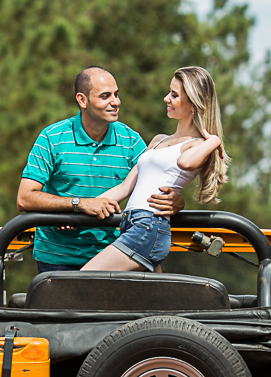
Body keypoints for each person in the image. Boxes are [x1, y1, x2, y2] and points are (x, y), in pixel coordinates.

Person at [17, 66, 184, 272]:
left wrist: (175, 202)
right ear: (82, 100)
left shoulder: (131, 142)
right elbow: (24, 198)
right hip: (58, 259)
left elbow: (153, 191)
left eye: (116, 94)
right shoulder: (51, 138)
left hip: (115, 257)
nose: (115, 102)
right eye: (105, 96)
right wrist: (76, 205)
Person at [81, 66, 229, 272]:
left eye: (174, 95)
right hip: (129, 224)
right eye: (169, 92)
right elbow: (125, 188)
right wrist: (82, 208)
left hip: (149, 226)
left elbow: (185, 163)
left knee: (84, 278)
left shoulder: (197, 146)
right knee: (147, 302)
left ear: (194, 104)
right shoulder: (159, 140)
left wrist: (214, 139)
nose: (166, 98)